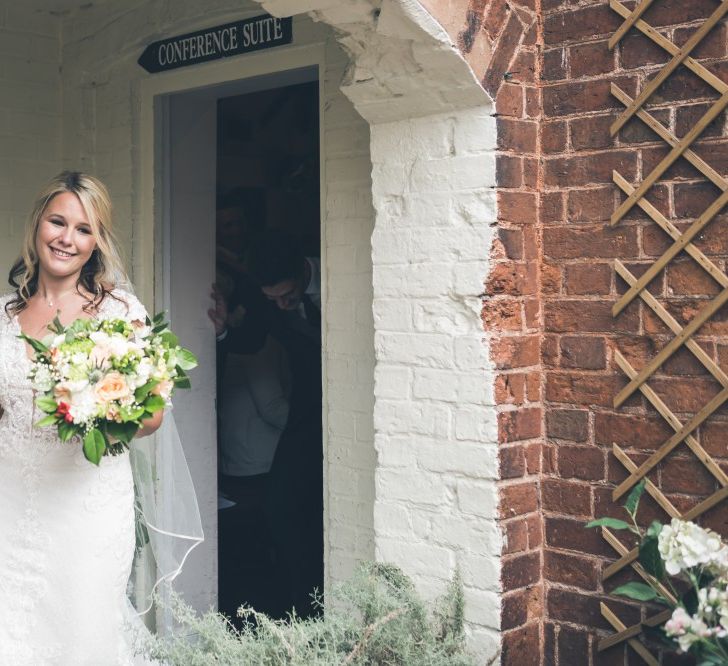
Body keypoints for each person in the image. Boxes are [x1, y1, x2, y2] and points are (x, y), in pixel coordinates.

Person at [0, 172, 165, 664]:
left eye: (83, 229)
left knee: (81, 634)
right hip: (10, 500)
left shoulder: (119, 313)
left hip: (85, 505)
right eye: (57, 221)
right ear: (38, 225)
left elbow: (153, 416)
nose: (66, 239)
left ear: (96, 242)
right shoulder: (6, 315)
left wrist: (96, 409)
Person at [210, 229, 323, 618]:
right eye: (271, 298)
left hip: (355, 406)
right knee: (284, 508)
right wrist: (224, 330)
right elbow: (252, 340)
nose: (280, 303)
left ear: (303, 270)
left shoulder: (338, 276)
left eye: (285, 294)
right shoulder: (267, 298)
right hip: (304, 416)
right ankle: (299, 610)